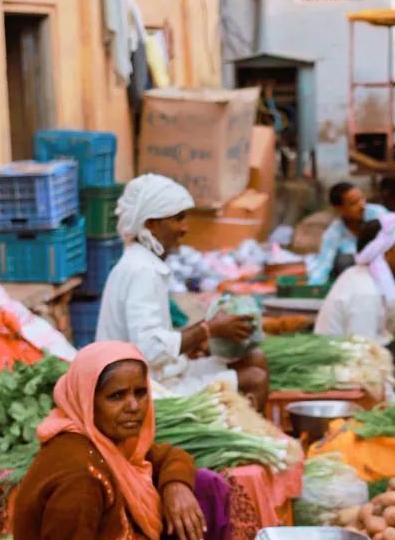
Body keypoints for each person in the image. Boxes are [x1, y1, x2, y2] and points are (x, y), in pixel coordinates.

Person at [13, 341, 232, 540]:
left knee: (205, 487)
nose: (133, 406)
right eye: (116, 396)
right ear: (88, 401)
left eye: (140, 393)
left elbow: (171, 455)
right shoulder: (82, 478)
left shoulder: (110, 445)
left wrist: (175, 487)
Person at [97, 175, 269, 410]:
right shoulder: (141, 271)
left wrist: (194, 343)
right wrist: (208, 329)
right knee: (254, 379)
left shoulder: (143, 264)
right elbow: (149, 349)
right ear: (150, 224)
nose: (185, 227)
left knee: (254, 358)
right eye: (178, 219)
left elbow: (153, 338)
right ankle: (255, 442)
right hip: (147, 389)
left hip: (161, 373)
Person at [313, 212, 395, 395]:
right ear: (385, 252)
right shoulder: (364, 291)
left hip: (372, 355)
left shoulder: (376, 280)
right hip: (347, 369)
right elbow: (362, 357)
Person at [305, 182, 386, 286]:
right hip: (359, 278)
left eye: (362, 199)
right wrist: (314, 288)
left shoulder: (379, 215)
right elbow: (323, 264)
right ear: (340, 209)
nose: (362, 205)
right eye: (354, 203)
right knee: (343, 261)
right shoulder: (334, 233)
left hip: (385, 267)